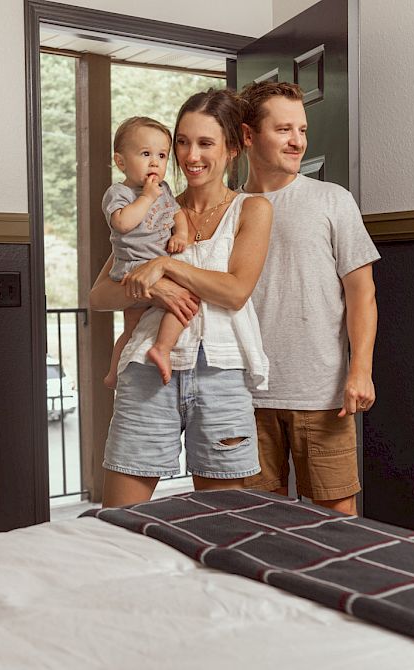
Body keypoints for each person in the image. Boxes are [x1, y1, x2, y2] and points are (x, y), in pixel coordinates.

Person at [89, 89, 273, 508]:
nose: (190, 155)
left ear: (232, 147)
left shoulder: (253, 209)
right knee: (121, 520)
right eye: (183, 142)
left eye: (206, 143)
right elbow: (99, 296)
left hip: (222, 376)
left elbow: (235, 290)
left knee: (220, 524)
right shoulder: (149, 209)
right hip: (147, 374)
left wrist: (168, 266)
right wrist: (156, 289)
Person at [239, 81, 379, 516]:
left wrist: (361, 371)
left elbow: (362, 294)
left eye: (301, 129)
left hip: (323, 396)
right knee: (255, 525)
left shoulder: (332, 200)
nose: (298, 140)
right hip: (243, 396)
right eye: (283, 129)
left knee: (340, 524)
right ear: (248, 136)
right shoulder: (227, 208)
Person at [102, 116, 190, 388]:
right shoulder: (120, 193)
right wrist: (147, 197)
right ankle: (113, 374)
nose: (155, 162)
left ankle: (161, 348)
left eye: (162, 155)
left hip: (160, 266)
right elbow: (122, 223)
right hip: (133, 268)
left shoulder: (163, 189)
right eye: (145, 154)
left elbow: (178, 214)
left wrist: (182, 234)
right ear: (121, 162)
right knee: (131, 327)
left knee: (183, 304)